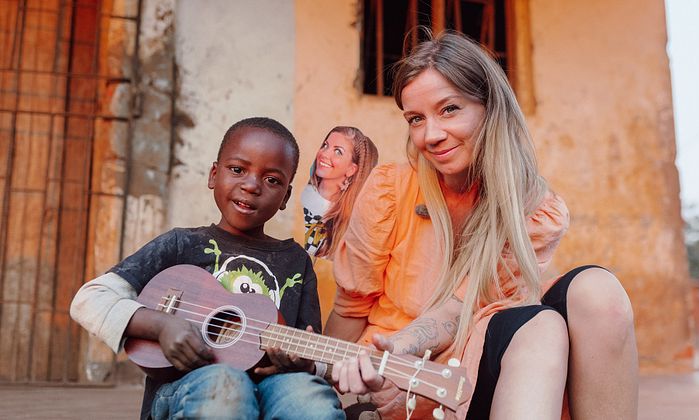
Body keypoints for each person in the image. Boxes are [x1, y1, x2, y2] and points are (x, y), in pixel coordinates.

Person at [325, 31, 638, 419]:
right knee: (540, 327)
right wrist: (324, 382)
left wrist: (406, 341)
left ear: (490, 107)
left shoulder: (535, 210)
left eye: (450, 109)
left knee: (598, 293)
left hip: (477, 370)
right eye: (416, 119)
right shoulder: (390, 190)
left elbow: (462, 306)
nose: (432, 135)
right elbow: (351, 308)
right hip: (393, 381)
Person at [70, 117, 345, 420]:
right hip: (185, 391)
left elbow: (313, 346)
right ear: (214, 175)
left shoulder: (296, 262)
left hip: (273, 391)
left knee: (310, 398)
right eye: (238, 170)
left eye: (272, 180)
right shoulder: (181, 245)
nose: (252, 185)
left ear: (286, 197)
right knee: (226, 384)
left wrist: (304, 364)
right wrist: (160, 325)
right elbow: (90, 299)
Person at [301, 126, 378, 322]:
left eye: (338, 151)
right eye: (325, 145)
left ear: (352, 169)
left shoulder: (350, 222)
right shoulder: (305, 196)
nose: (324, 154)